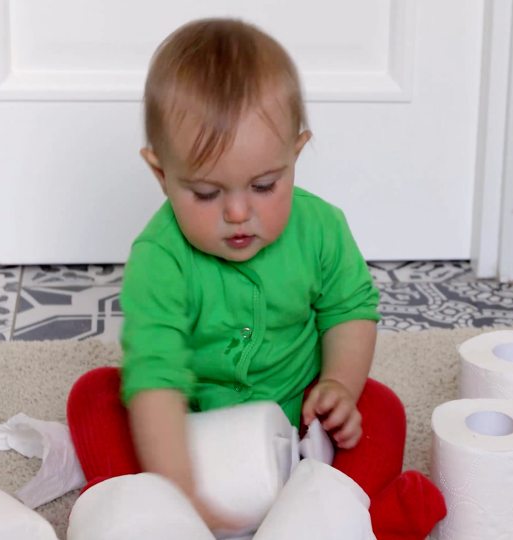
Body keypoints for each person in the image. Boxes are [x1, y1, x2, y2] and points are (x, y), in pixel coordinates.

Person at [66, 18, 445, 540]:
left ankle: (345, 516)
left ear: (296, 152)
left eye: (265, 185)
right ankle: (142, 514)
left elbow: (350, 311)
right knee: (97, 396)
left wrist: (339, 386)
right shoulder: (159, 257)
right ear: (160, 174)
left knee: (381, 408)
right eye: (205, 193)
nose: (239, 212)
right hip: (188, 423)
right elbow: (157, 376)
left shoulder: (321, 229)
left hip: (301, 420)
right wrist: (181, 492)